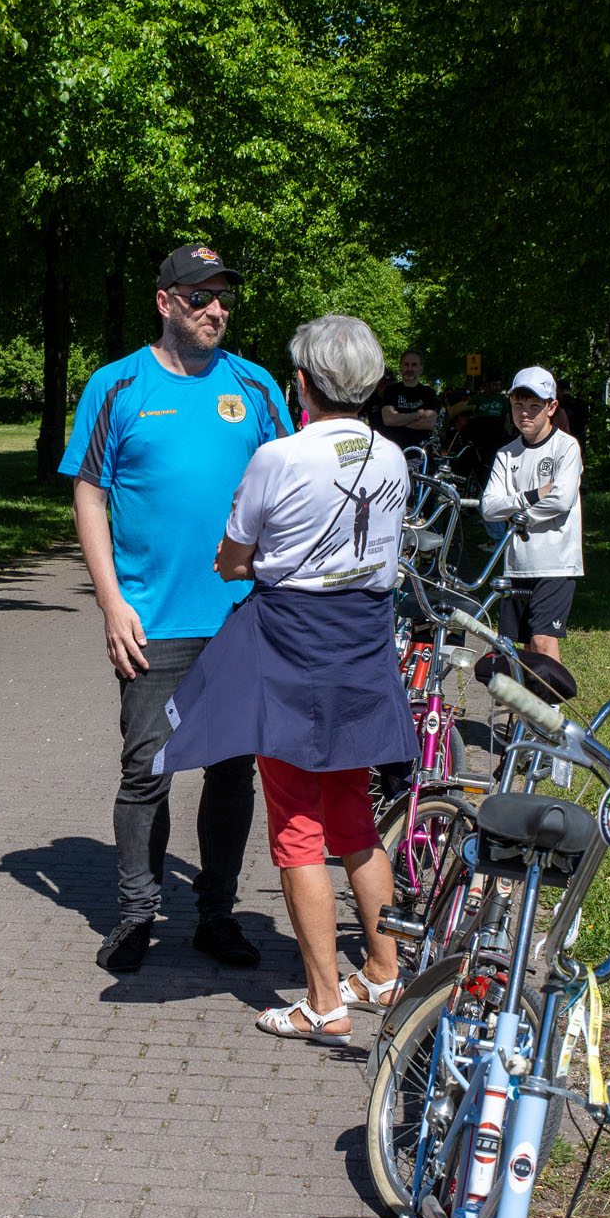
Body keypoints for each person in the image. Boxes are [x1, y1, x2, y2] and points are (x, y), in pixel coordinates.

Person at [155, 315, 417, 1044]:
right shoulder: (393, 458)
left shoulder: (279, 455)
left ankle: (324, 1001)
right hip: (364, 646)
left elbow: (233, 559)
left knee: (297, 825)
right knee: (354, 816)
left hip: (294, 647)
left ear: (301, 382)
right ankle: (384, 969)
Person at [59, 243, 293, 974]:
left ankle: (216, 915)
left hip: (240, 619)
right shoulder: (116, 385)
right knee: (146, 772)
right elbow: (89, 495)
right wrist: (111, 603)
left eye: (223, 298)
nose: (215, 310)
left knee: (231, 772)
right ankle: (136, 915)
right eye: (199, 297)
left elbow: (290, 486)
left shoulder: (255, 385)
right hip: (151, 619)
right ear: (165, 303)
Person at [481, 366, 583, 663]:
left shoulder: (566, 447)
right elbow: (489, 508)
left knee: (542, 640)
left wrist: (516, 514)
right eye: (518, 405)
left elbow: (561, 500)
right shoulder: (506, 453)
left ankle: (552, 694)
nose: (525, 413)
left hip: (556, 562)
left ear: (551, 407)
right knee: (525, 647)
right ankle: (532, 694)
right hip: (518, 564)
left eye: (535, 406)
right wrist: (532, 495)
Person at [376, 349, 440, 451]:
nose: (409, 368)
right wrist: (417, 415)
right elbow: (388, 419)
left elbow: (429, 423)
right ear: (401, 367)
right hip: (394, 450)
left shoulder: (428, 393)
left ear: (421, 369)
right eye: (406, 364)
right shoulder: (391, 391)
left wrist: (398, 420)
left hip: (420, 451)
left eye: (414, 365)